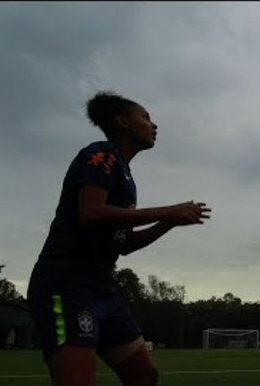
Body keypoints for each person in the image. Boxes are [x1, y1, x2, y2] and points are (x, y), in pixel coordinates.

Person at [27, 91, 211, 386]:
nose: (154, 125)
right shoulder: (101, 154)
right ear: (122, 121)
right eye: (145, 117)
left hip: (101, 289)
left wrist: (170, 222)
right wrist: (170, 209)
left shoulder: (127, 177)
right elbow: (91, 212)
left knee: (143, 375)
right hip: (64, 287)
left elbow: (123, 245)